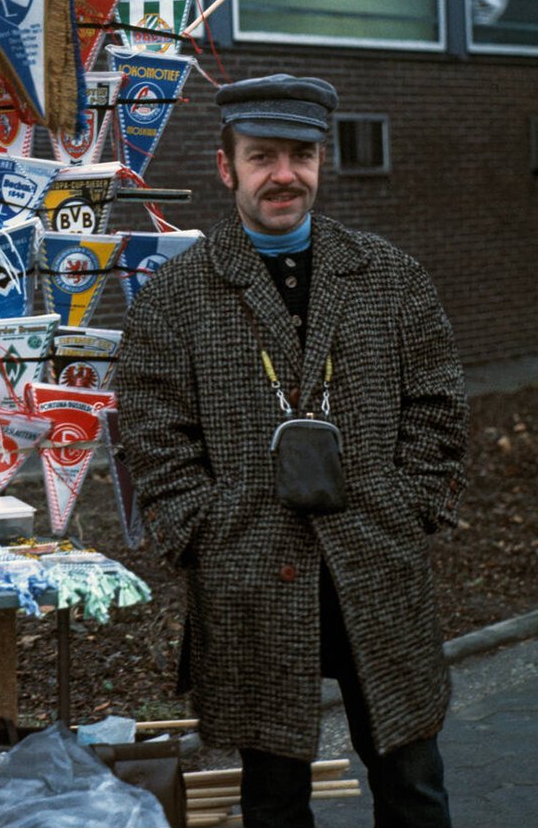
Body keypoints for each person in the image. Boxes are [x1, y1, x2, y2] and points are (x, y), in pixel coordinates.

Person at [116, 73, 468, 828]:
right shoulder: (179, 294)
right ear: (226, 166)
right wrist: (206, 531)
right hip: (252, 570)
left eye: (300, 154)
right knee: (273, 796)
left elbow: (439, 406)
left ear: (321, 160)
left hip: (375, 560)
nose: (284, 174)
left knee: (414, 779)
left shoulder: (390, 276)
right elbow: (151, 432)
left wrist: (409, 507)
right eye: (262, 155)